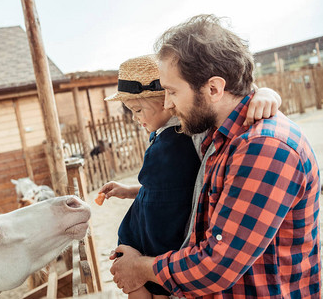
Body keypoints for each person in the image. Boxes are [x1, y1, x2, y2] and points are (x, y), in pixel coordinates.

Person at [109, 15, 321, 298]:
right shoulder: (217, 138)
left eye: (172, 91)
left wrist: (142, 269)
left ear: (213, 89)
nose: (168, 104)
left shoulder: (263, 148)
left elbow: (217, 265)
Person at [101, 54, 283, 299]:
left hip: (154, 247)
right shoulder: (181, 131)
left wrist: (265, 94)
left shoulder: (186, 133)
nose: (169, 102)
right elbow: (172, 189)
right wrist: (132, 190)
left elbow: (167, 207)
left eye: (172, 93)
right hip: (148, 245)